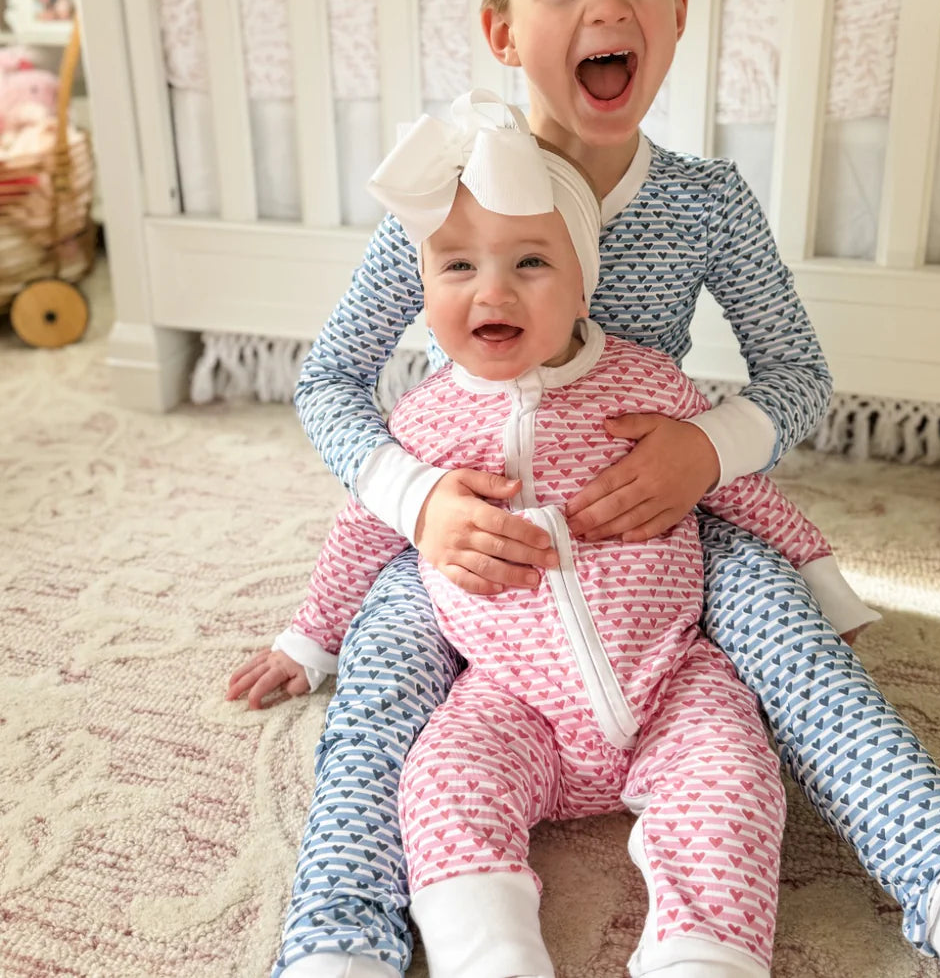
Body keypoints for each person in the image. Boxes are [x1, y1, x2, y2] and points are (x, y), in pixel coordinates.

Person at [256, 0, 940, 978]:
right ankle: (338, 944)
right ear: (504, 30)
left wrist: (704, 454)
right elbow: (330, 378)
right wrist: (417, 504)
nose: (604, 1)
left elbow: (795, 376)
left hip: (664, 518)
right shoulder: (445, 190)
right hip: (474, 524)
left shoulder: (706, 201)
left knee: (805, 659)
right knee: (377, 699)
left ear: (674, 10)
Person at [232, 101, 870, 976]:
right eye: (457, 266)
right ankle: (491, 954)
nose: (490, 290)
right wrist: (309, 638)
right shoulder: (421, 424)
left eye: (530, 262)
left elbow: (742, 491)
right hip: (509, 700)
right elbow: (360, 529)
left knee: (737, 779)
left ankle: (705, 954)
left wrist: (822, 584)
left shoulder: (645, 383)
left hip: (671, 680)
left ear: (583, 283)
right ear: (424, 292)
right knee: (440, 783)